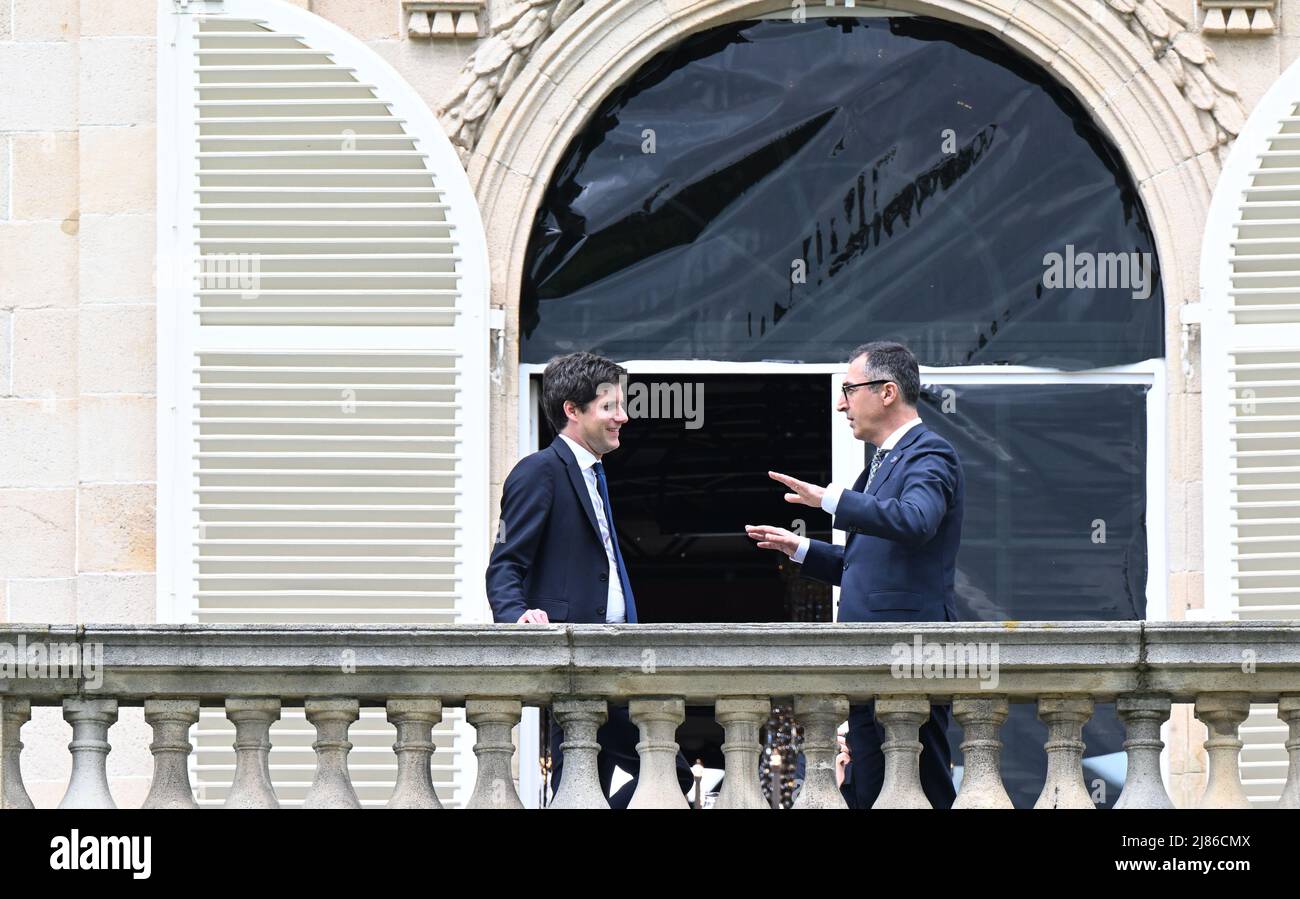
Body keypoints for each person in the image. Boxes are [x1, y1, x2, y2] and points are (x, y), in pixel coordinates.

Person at [746, 340, 962, 809]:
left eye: (848, 389)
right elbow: (867, 566)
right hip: (871, 658)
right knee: (869, 789)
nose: (840, 402)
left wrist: (829, 499)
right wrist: (800, 548)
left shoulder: (930, 454)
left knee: (920, 789)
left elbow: (916, 521)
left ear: (887, 392)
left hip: (908, 660)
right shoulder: (881, 464)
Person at [486, 351, 693, 807]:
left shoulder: (594, 476)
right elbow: (505, 563)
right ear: (572, 411)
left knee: (581, 788)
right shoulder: (539, 471)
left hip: (614, 655)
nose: (623, 416)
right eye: (609, 407)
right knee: (668, 771)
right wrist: (516, 615)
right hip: (577, 663)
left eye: (622, 405)